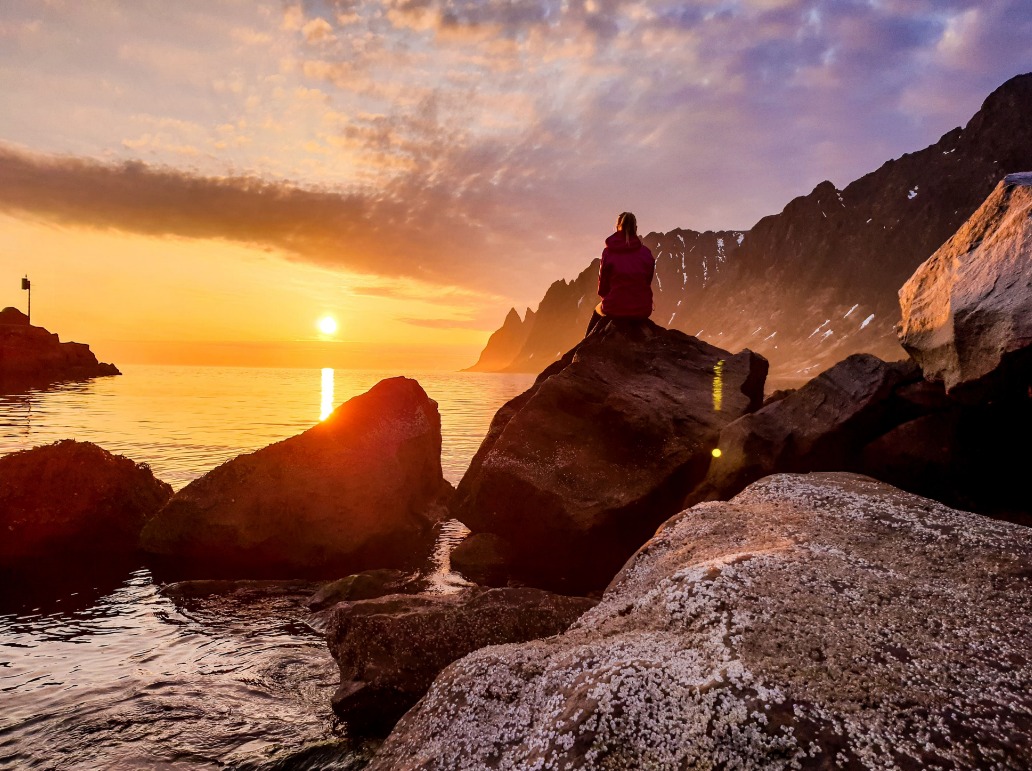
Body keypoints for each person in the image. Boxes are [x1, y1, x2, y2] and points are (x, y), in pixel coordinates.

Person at [585, 211, 656, 336]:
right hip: (642, 309)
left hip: (615, 307)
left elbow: (603, 288)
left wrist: (613, 299)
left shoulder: (608, 252)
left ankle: (586, 344)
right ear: (636, 228)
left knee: (596, 313)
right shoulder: (646, 253)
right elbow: (647, 281)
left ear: (617, 226)